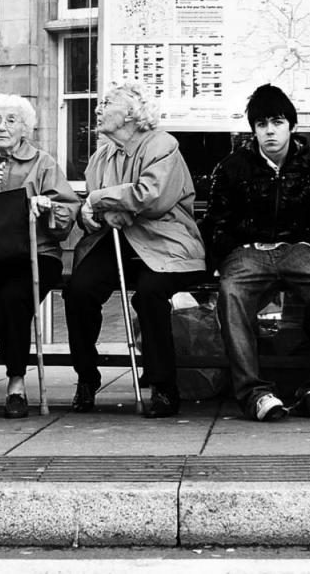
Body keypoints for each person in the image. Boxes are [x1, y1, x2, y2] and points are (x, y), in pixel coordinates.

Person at [202, 84, 310, 422]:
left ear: (291, 126)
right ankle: (254, 393)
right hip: (248, 253)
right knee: (232, 292)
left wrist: (308, 242)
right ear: (252, 129)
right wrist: (237, 248)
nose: (269, 131)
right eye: (261, 124)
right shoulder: (232, 167)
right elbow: (216, 222)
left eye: (277, 122)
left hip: (297, 249)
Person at [64, 83, 206, 418]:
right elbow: (99, 211)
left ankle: (164, 387)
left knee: (149, 294)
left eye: (108, 102)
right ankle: (86, 376)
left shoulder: (162, 144)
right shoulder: (101, 156)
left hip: (166, 242)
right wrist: (90, 215)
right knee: (78, 290)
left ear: (130, 113)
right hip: (115, 241)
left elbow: (151, 197)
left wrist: (99, 201)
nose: (99, 107)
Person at [0, 95, 80, 420]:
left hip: (35, 254)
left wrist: (47, 207)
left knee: (13, 298)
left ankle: (16, 383)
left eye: (11, 120)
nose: (2, 127)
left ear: (24, 128)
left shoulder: (43, 163)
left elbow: (67, 211)